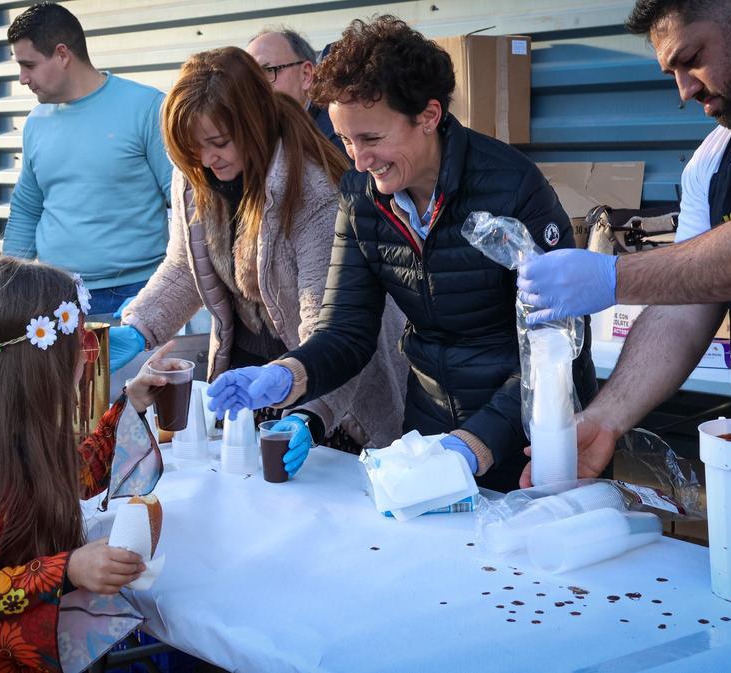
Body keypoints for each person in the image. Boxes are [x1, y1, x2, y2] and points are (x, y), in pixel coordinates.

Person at [515, 0, 731, 577]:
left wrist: (615, 278)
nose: (684, 92)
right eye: (671, 73)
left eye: (692, 60)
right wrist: (606, 418)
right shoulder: (711, 160)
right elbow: (685, 305)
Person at [208, 17, 598, 492]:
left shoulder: (512, 187)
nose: (358, 160)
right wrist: (289, 375)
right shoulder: (361, 196)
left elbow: (559, 345)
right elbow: (347, 331)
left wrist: (475, 443)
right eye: (346, 140)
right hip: (429, 429)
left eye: (371, 139)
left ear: (429, 116)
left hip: (529, 440)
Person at [111, 47, 407, 468]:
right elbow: (183, 266)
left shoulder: (313, 192)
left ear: (252, 124)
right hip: (248, 381)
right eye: (192, 148)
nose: (206, 160)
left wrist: (311, 414)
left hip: (332, 389)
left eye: (217, 143)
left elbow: (334, 331)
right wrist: (140, 327)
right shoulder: (195, 176)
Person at [0, 256, 171, 671]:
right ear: (38, 364)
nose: (87, 359)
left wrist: (132, 402)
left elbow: (76, 476)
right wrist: (68, 569)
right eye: (78, 347)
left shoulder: (21, 432)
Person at [1, 2, 172, 315]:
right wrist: (9, 287)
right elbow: (27, 210)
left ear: (63, 55)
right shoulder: (36, 121)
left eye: (29, 65)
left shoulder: (146, 107)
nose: (23, 78)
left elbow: (186, 200)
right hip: (56, 295)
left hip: (137, 293)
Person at [246, 27, 346, 155]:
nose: (255, 87)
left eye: (268, 71)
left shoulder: (341, 136)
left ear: (306, 74)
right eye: (250, 77)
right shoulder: (247, 142)